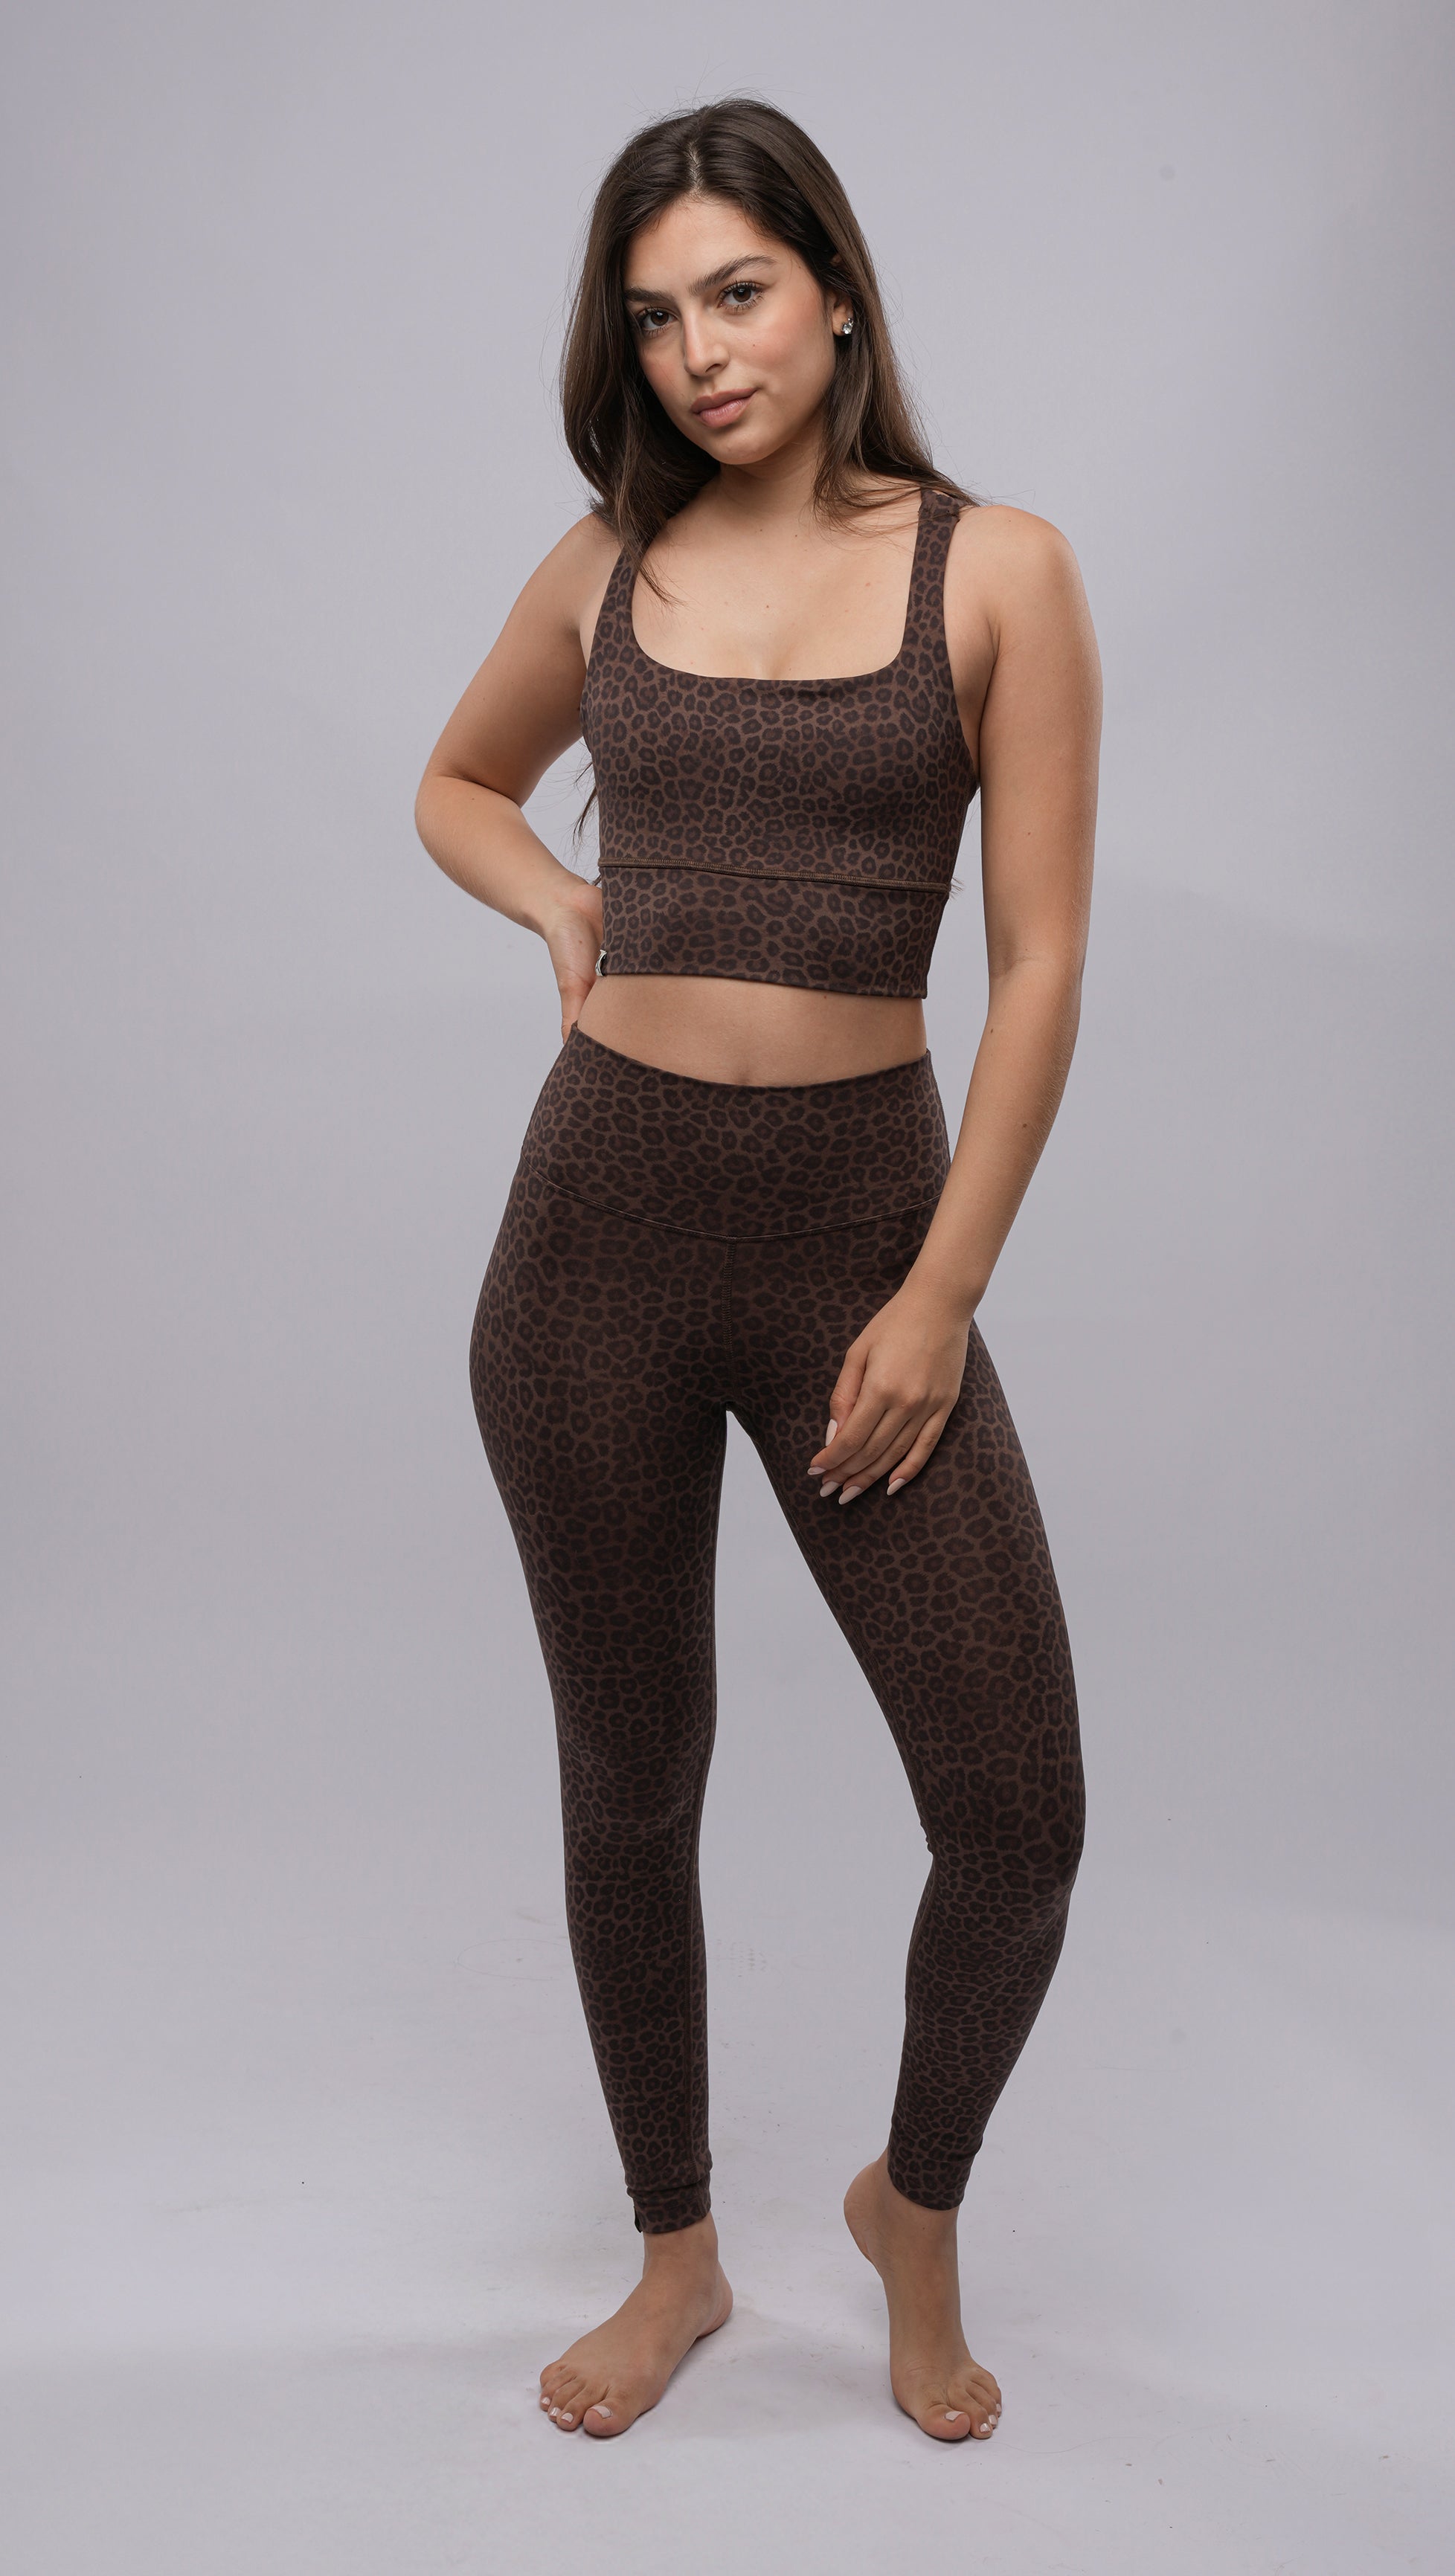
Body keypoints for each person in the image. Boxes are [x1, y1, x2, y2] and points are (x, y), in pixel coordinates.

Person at [414, 96, 1100, 2447]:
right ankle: (677, 2258)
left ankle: (912, 2206)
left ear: (833, 293)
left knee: (1013, 1810)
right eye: (652, 317)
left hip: (857, 1245)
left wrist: (939, 1294)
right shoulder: (606, 565)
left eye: (734, 292)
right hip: (589, 1243)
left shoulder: (994, 570)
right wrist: (557, 899)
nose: (699, 352)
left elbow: (1038, 966)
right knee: (633, 1781)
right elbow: (455, 785)